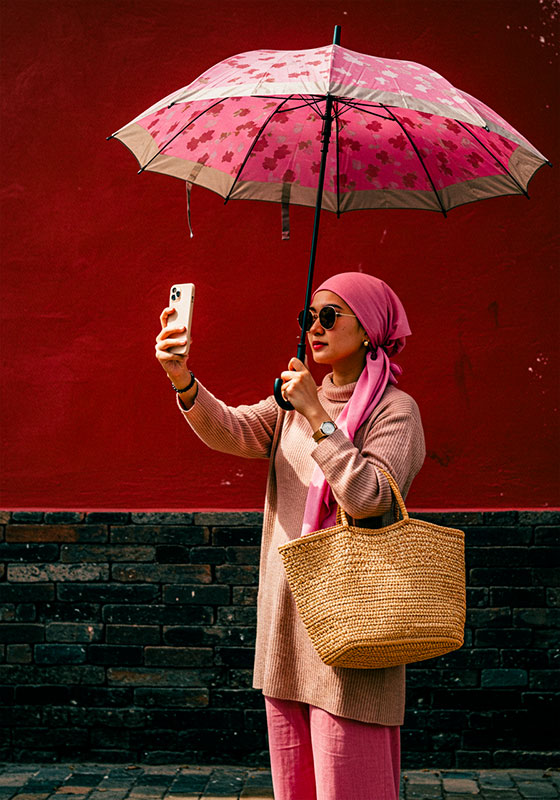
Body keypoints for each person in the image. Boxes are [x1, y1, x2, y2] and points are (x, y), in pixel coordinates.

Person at [155, 271, 426, 800]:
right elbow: (232, 429)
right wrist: (181, 378)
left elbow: (370, 498)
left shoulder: (395, 411)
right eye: (309, 317)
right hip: (286, 626)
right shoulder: (295, 400)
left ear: (369, 329)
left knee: (353, 789)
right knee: (293, 789)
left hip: (351, 631)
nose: (314, 328)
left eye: (330, 316)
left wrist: (318, 416)